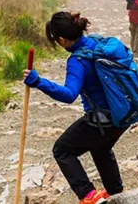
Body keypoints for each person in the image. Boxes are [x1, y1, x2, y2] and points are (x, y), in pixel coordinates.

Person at [23, 12, 128, 204]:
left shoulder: (77, 61)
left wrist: (38, 81)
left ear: (62, 40)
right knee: (101, 147)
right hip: (123, 114)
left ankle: (88, 196)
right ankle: (116, 191)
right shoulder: (97, 44)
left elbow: (69, 94)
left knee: (62, 150)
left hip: (103, 120)